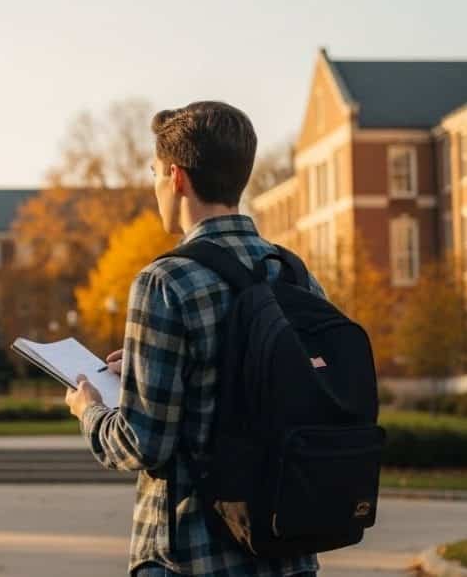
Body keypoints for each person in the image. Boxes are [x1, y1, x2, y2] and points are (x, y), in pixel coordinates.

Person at [64, 101, 322, 577]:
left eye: (154, 172)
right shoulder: (295, 275)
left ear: (176, 177)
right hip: (288, 548)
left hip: (191, 555)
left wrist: (90, 410)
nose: (154, 185)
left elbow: (142, 444)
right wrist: (142, 370)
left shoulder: (166, 282)